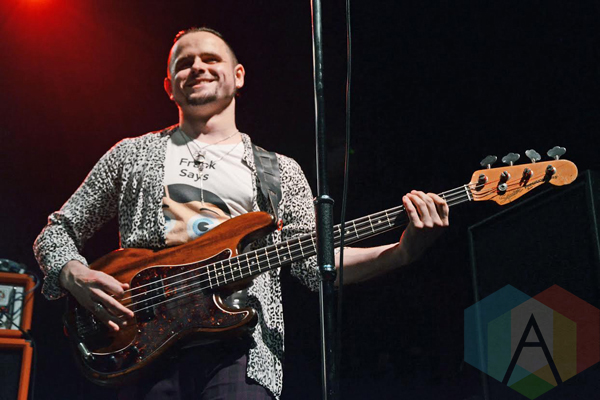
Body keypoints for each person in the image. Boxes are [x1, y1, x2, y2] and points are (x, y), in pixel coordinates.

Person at [33, 27, 449, 399]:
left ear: (238, 76)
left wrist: (402, 252)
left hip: (242, 353)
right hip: (144, 347)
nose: (198, 67)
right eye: (184, 63)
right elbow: (56, 232)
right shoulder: (131, 155)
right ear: (169, 86)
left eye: (210, 59)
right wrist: (73, 274)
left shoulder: (280, 170)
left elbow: (314, 265)